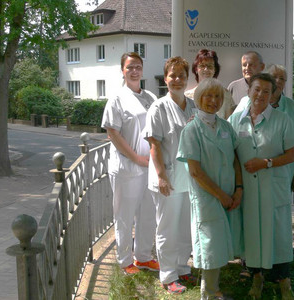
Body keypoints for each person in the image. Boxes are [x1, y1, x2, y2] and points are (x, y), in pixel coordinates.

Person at [229, 73, 294, 299]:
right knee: (252, 234)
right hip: (249, 191)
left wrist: (266, 163)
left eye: (266, 91)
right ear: (249, 91)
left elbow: (292, 154)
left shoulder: (282, 120)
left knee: (278, 235)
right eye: (257, 89)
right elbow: (229, 150)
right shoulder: (236, 120)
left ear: (273, 95)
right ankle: (257, 279)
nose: (260, 95)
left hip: (273, 188)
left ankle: (284, 283)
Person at [177, 78, 243, 300]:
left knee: (221, 244)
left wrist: (239, 189)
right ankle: (210, 293)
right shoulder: (191, 130)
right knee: (210, 246)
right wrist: (222, 196)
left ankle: (213, 290)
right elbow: (195, 172)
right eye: (208, 96)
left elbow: (236, 158)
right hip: (207, 197)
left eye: (217, 96)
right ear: (198, 99)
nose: (213, 101)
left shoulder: (225, 126)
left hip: (228, 195)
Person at [101, 52, 159, 275]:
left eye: (138, 66)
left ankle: (143, 257)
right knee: (124, 215)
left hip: (149, 167)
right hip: (127, 168)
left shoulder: (151, 97)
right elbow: (112, 133)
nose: (134, 71)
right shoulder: (117, 99)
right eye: (130, 67)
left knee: (147, 213)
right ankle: (124, 260)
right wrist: (136, 158)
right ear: (122, 71)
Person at [144, 56, 197, 294]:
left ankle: (181, 268)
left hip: (189, 179)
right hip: (168, 178)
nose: (177, 80)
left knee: (185, 227)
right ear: (165, 78)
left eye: (181, 75)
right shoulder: (158, 107)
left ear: (188, 79)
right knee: (167, 228)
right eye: (172, 75)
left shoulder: (193, 106)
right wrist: (161, 176)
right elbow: (154, 144)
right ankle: (167, 276)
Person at [235, 64, 294, 191]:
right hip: (247, 176)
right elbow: (232, 128)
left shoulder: (293, 109)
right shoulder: (244, 103)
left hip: (281, 177)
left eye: (282, 78)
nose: (278, 81)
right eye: (275, 77)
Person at [185, 49, 234, 119]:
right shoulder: (187, 96)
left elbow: (230, 123)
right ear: (196, 69)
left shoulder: (225, 95)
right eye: (202, 66)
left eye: (210, 66)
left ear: (215, 70)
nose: (206, 69)